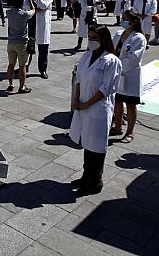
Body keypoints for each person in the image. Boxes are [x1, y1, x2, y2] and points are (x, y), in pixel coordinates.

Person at [69, 25, 121, 194]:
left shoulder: (112, 60)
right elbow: (79, 78)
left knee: (97, 145)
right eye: (89, 37)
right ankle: (86, 175)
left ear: (104, 40)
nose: (91, 41)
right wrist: (77, 99)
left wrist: (87, 103)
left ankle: (96, 179)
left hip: (99, 108)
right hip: (83, 105)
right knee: (87, 142)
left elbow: (106, 88)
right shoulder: (87, 55)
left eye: (94, 38)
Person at [110, 11, 147, 143]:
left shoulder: (139, 38)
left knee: (130, 104)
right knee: (117, 101)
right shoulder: (118, 34)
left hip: (130, 75)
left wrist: (117, 65)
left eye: (126, 19)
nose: (123, 21)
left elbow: (134, 58)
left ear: (134, 22)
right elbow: (111, 50)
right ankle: (118, 126)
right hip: (117, 74)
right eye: (123, 19)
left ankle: (130, 132)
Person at [6, 0, 34, 93]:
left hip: (11, 41)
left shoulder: (9, 12)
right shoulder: (24, 14)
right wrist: (30, 1)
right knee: (22, 66)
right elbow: (33, 11)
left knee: (11, 64)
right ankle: (22, 87)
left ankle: (10, 84)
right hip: (22, 42)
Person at [30, 0, 53, 79]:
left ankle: (42, 69)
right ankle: (24, 66)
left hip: (42, 24)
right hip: (32, 21)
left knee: (43, 49)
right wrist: (36, 7)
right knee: (28, 47)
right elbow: (28, 6)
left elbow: (43, 6)